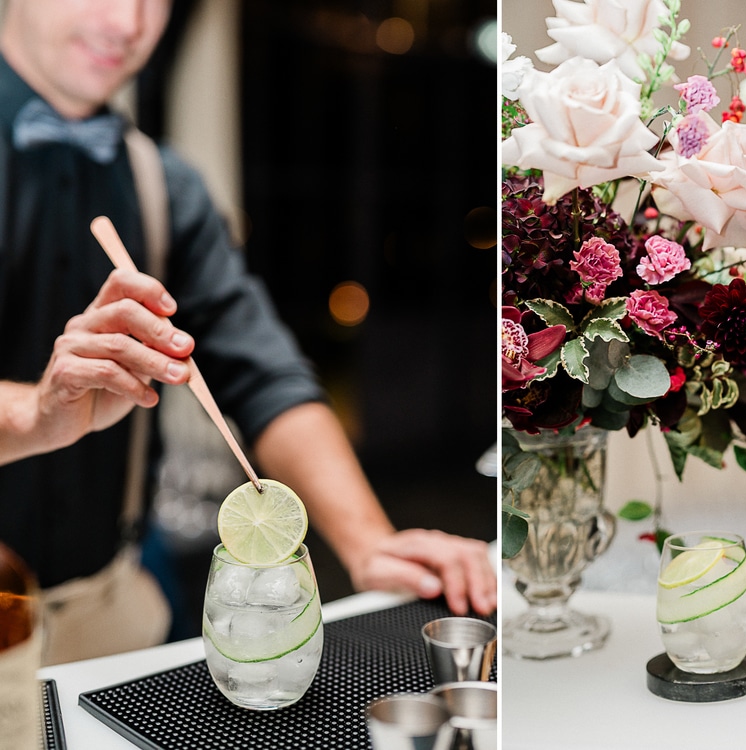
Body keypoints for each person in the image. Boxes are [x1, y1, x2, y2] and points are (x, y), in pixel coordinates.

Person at [0, 0, 495, 662]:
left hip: (107, 626)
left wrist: (369, 543)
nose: (128, 25)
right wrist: (35, 413)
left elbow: (264, 376)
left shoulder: (164, 184)